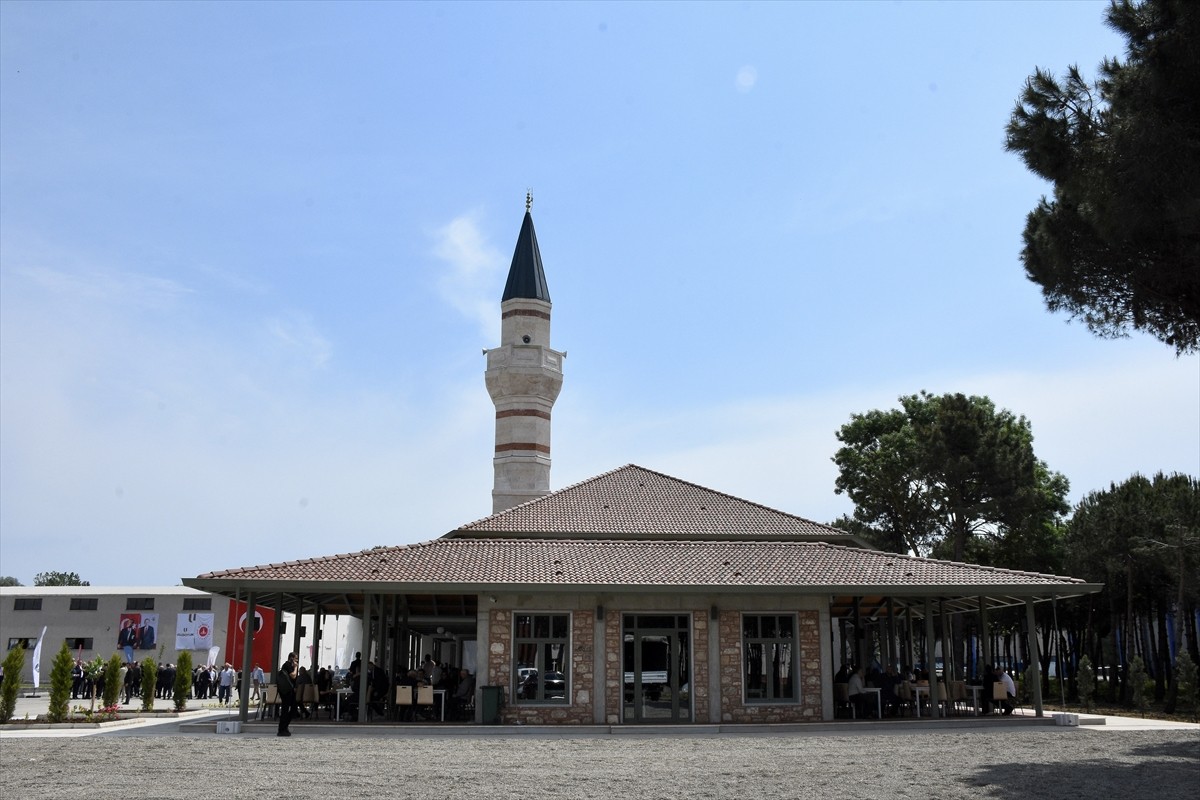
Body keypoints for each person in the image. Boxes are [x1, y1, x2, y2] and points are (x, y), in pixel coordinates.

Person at [277, 653, 298, 736]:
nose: (297, 661)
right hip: (286, 691)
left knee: (293, 709)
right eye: (296, 659)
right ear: (291, 658)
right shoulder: (287, 665)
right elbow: (293, 676)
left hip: (290, 690)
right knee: (285, 709)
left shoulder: (290, 666)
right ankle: (282, 729)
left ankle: (284, 727)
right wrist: (296, 667)